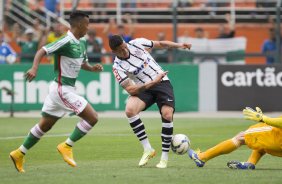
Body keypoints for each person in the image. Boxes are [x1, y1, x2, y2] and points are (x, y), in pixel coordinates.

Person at [9, 11, 103, 173]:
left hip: (63, 89)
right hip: (61, 89)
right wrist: (34, 67)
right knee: (93, 117)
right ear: (79, 24)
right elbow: (42, 51)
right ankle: (67, 146)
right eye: (87, 24)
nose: (88, 27)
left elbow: (83, 64)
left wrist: (92, 68)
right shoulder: (65, 40)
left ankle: (19, 153)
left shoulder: (81, 43)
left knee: (45, 125)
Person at [109, 35, 191, 168]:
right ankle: (148, 149)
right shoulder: (117, 67)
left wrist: (179, 45)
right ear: (114, 52)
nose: (125, 50)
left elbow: (160, 44)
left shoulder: (137, 43)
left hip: (162, 82)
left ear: (125, 42)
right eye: (121, 50)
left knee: (167, 114)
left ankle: (164, 158)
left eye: (124, 46)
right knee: (130, 110)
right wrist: (152, 82)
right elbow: (130, 89)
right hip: (144, 88)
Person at [188, 107, 282, 170]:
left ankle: (201, 157)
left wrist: (263, 118)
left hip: (278, 136)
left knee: (241, 137)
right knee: (261, 142)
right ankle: (250, 163)